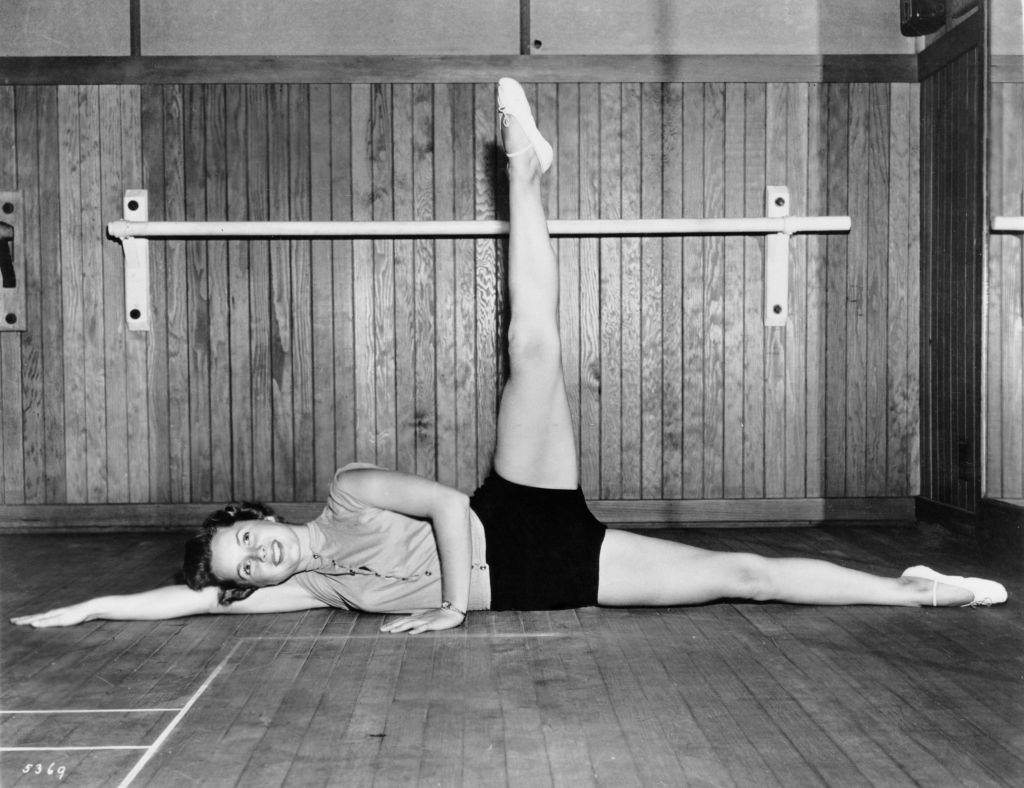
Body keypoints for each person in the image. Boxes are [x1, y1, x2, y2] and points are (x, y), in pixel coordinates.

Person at [11, 78, 1007, 633]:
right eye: (243, 568)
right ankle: (917, 588)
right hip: (554, 573)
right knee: (741, 573)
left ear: (258, 517)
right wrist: (85, 608)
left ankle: (524, 169)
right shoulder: (316, 589)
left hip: (513, 511)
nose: (258, 555)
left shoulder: (348, 491)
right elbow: (175, 604)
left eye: (247, 539)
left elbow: (448, 507)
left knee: (531, 346)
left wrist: (449, 607)